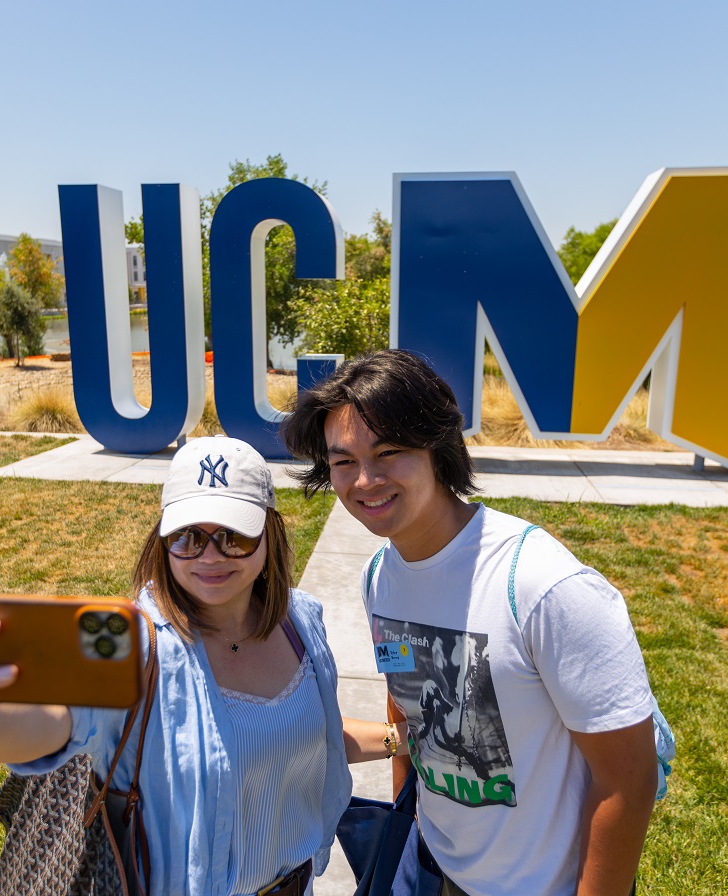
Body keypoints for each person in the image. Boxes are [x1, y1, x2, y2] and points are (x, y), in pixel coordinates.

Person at [0, 436, 367, 896]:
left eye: (234, 536)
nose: (209, 556)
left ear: (271, 537)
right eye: (187, 536)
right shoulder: (137, 650)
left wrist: (399, 736)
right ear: (162, 539)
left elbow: (308, 740)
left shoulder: (300, 622)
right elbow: (47, 723)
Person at [283, 349, 660, 896]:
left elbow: (628, 779)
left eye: (389, 452)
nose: (365, 480)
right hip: (436, 868)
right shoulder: (378, 577)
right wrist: (406, 821)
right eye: (343, 462)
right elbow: (406, 698)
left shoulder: (539, 584)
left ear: (437, 449)